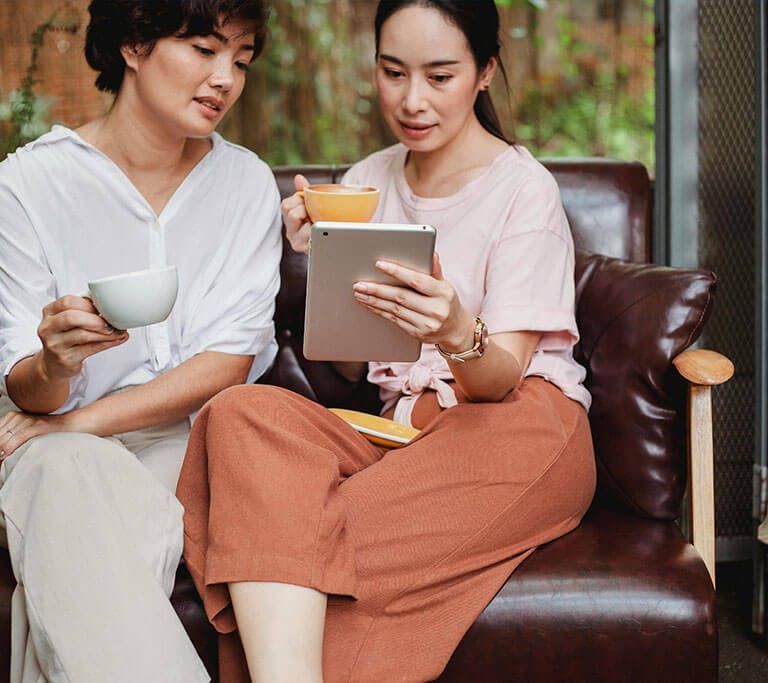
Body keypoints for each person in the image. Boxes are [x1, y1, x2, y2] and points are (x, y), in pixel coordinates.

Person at [177, 0, 596, 681]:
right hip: (394, 442)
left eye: (440, 75)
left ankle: (278, 602)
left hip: (513, 427)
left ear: (485, 71)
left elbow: (497, 381)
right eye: (392, 72)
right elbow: (350, 367)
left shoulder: (524, 191)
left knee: (283, 537)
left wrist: (457, 330)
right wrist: (325, 268)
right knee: (238, 415)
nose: (412, 100)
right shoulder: (366, 181)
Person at [0, 1, 280, 681]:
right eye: (206, 50)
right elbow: (21, 384)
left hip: (191, 448)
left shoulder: (244, 184)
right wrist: (55, 360)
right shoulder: (28, 184)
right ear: (133, 43)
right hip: (53, 446)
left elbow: (228, 362)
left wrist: (72, 423)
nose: (225, 79)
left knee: (57, 487)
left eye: (240, 61)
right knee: (58, 473)